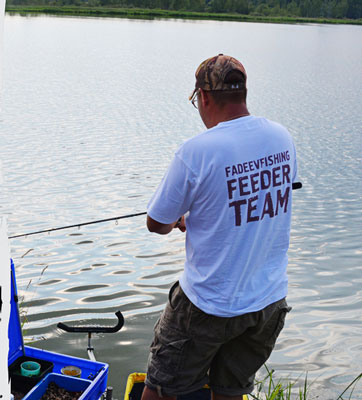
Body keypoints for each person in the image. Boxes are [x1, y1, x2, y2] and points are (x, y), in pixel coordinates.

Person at [141, 54, 298, 400]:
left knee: (161, 389)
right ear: (242, 93)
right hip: (267, 302)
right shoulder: (281, 137)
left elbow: (156, 223)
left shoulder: (196, 151)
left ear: (204, 97)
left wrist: (177, 221)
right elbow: (257, 204)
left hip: (207, 305)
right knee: (230, 391)